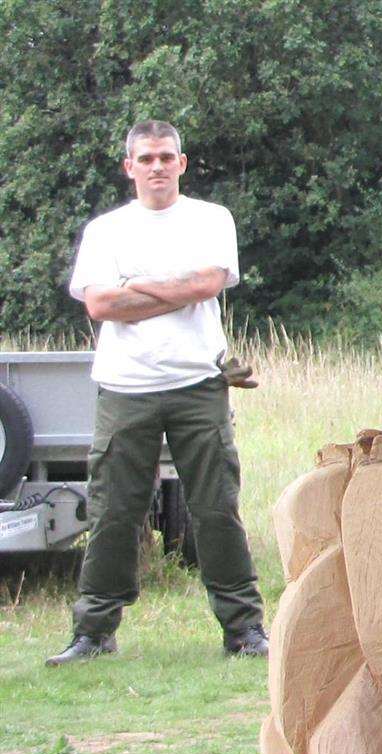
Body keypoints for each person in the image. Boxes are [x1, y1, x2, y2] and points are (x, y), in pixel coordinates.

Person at [52, 120, 268, 666]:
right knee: (113, 513)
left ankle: (244, 631)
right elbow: (99, 307)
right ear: (129, 166)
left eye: (166, 157)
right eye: (145, 158)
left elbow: (206, 286)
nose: (156, 167)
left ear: (182, 163)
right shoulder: (105, 231)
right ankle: (93, 632)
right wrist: (173, 287)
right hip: (125, 388)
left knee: (216, 508)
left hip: (199, 384)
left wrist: (135, 284)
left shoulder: (210, 219)